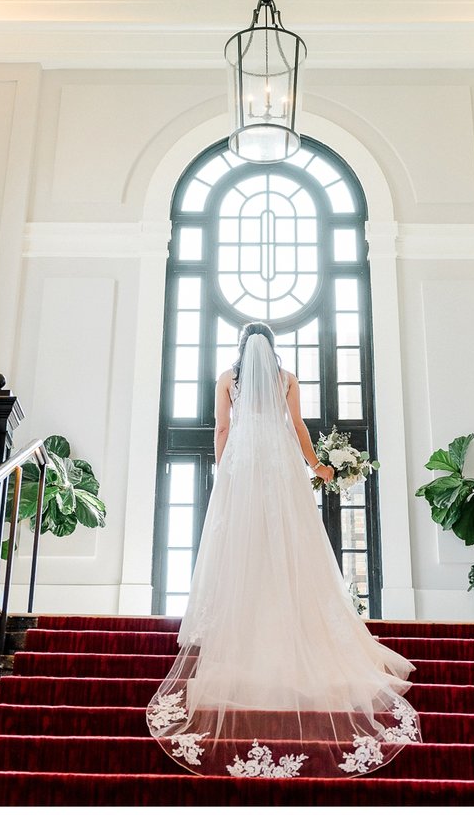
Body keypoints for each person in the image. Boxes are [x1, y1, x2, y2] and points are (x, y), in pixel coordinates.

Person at [146, 321, 420, 778]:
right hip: (278, 467)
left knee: (243, 551)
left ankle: (246, 631)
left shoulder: (226, 380)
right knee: (292, 546)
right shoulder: (286, 378)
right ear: (271, 348)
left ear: (241, 348)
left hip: (244, 466)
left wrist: (225, 471)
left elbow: (221, 429)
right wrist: (317, 466)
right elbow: (296, 426)